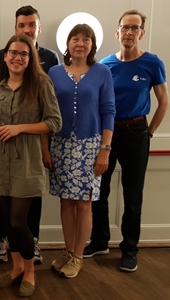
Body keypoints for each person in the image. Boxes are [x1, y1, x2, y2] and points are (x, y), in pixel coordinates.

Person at [84, 10, 168, 272]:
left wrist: (149, 132)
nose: (129, 32)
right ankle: (99, 241)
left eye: (135, 28)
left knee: (132, 197)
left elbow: (163, 102)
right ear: (117, 32)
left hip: (136, 134)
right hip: (108, 135)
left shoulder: (152, 63)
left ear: (141, 32)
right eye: (125, 27)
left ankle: (130, 250)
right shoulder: (106, 65)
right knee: (100, 191)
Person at [0, 34, 62, 297]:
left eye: (23, 54)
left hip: (26, 161)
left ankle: (29, 271)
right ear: (5, 57)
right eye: (13, 53)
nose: (17, 58)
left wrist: (19, 128)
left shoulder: (41, 84)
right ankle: (15, 268)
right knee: (5, 221)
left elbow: (54, 122)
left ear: (31, 59)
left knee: (18, 222)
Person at [46, 24, 115, 278]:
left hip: (90, 146)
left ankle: (78, 255)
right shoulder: (54, 72)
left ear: (92, 45)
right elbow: (47, 111)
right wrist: (46, 148)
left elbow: (109, 111)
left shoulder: (102, 72)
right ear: (68, 43)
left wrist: (105, 150)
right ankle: (67, 251)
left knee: (84, 203)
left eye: (86, 39)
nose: (80, 43)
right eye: (75, 38)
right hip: (60, 144)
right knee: (66, 201)